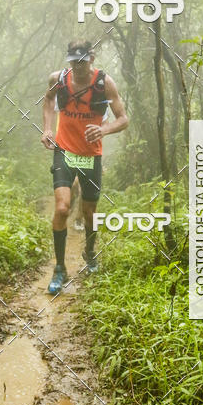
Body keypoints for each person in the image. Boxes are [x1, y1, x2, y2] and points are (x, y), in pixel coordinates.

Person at [41, 39, 129, 294]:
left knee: (89, 212)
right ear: (69, 61)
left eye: (82, 62)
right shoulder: (58, 79)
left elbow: (123, 119)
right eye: (73, 62)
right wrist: (48, 129)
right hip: (64, 152)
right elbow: (47, 101)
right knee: (62, 207)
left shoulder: (104, 83)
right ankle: (59, 269)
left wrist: (103, 129)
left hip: (91, 155)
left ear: (91, 58)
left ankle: (90, 252)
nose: (77, 67)